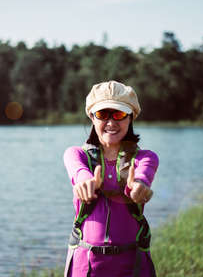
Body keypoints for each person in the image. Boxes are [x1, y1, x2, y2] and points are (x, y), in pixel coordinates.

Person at [63, 80, 159, 277]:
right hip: (85, 266)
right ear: (92, 117)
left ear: (130, 118)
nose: (111, 122)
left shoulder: (145, 157)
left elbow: (144, 174)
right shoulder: (76, 154)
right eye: (102, 114)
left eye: (119, 114)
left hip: (133, 265)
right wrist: (85, 181)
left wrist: (139, 185)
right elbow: (78, 169)